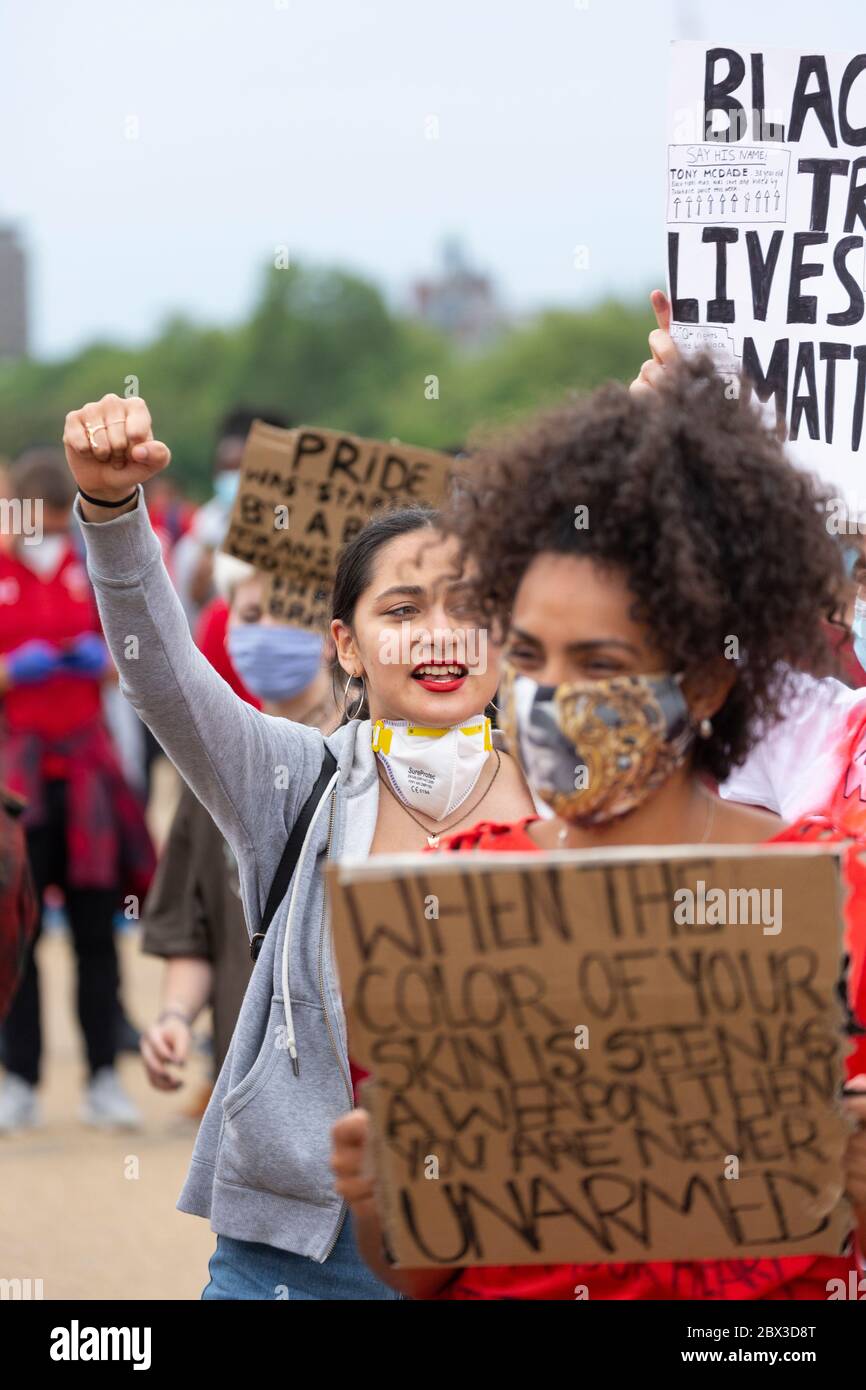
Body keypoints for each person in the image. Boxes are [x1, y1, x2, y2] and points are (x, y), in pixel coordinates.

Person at [331, 354, 866, 1300]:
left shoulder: (837, 900)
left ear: (704, 681)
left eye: (602, 661)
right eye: (530, 655)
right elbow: (417, 1275)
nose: (552, 697)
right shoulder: (445, 905)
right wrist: (382, 1199)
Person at [60, 391, 534, 1300]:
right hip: (299, 1254)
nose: (438, 635)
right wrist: (114, 515)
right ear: (346, 648)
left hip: (507, 1246)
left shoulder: (566, 803)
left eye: (468, 607)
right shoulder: (295, 780)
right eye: (402, 612)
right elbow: (160, 675)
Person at [139, 555, 339, 1097]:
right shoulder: (211, 770)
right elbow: (194, 927)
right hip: (248, 1089)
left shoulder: (373, 759)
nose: (266, 629)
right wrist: (176, 1018)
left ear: (333, 634)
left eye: (286, 612)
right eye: (250, 614)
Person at [0, 448, 155, 1132]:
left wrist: (105, 666)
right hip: (21, 779)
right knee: (20, 934)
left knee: (98, 933)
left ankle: (101, 1076)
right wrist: (12, 671)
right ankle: (19, 1078)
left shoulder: (90, 572)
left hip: (87, 769)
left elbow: (135, 658)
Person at [171, 407, 290, 628]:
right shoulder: (201, 530)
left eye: (240, 467)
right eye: (225, 468)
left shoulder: (285, 521)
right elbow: (186, 607)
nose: (232, 477)